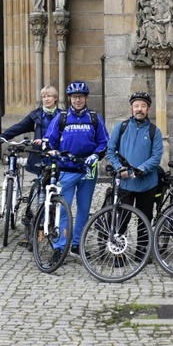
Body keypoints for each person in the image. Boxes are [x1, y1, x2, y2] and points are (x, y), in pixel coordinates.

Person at [42, 81, 109, 267]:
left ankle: (77, 244)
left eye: (81, 96)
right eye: (74, 97)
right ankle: (60, 246)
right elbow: (49, 140)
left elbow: (104, 142)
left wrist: (96, 154)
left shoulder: (95, 118)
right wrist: (51, 150)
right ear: (70, 98)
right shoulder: (61, 118)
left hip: (88, 169)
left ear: (86, 98)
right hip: (67, 169)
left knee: (84, 210)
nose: (77, 100)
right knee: (64, 208)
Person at [0, 85, 62, 236]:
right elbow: (20, 127)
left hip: (55, 156)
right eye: (43, 97)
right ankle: (37, 218)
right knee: (41, 186)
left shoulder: (63, 115)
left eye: (49, 96)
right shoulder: (36, 115)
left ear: (55, 98)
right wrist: (2, 136)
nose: (46, 99)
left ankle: (53, 217)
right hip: (40, 156)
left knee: (54, 189)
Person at [106, 92, 163, 259]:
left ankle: (142, 253)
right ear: (131, 108)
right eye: (136, 106)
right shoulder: (121, 127)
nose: (139, 109)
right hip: (125, 182)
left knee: (145, 219)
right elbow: (111, 150)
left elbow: (156, 156)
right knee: (122, 218)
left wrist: (141, 169)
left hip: (147, 183)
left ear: (148, 109)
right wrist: (119, 168)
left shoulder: (155, 131)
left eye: (143, 106)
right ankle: (119, 251)